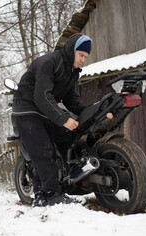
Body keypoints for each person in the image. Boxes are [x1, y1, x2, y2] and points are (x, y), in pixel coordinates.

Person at [12, 33, 92, 207]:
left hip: (44, 110)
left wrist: (89, 111)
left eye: (85, 57)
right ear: (72, 51)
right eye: (81, 55)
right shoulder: (49, 63)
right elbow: (41, 95)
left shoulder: (72, 72)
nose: (83, 60)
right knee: (44, 151)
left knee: (63, 142)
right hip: (27, 110)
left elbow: (70, 98)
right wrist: (63, 118)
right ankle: (52, 195)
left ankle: (41, 195)